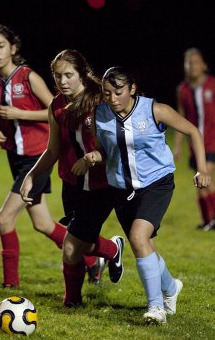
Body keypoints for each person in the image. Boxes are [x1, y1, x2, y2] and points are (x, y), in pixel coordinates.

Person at [84, 66, 211, 324]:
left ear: (132, 89)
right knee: (144, 246)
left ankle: (156, 308)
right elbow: (104, 149)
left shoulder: (155, 110)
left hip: (156, 183)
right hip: (122, 189)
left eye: (118, 92)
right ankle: (171, 289)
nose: (113, 98)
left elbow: (193, 132)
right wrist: (95, 156)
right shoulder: (100, 114)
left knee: (138, 237)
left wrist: (202, 170)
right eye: (107, 93)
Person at [20, 49, 125, 307]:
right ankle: (113, 249)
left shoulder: (100, 102)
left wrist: (91, 158)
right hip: (72, 185)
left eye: (69, 75)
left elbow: (116, 145)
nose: (63, 81)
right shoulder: (56, 105)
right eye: (58, 76)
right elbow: (53, 149)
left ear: (81, 74)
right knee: (83, 245)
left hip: (101, 187)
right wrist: (32, 176)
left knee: (70, 246)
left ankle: (72, 303)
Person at [0, 24, 67, 288]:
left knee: (4, 219)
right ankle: (102, 254)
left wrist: (21, 114)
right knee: (42, 223)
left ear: (13, 48)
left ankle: (11, 284)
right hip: (16, 158)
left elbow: (57, 110)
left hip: (38, 157)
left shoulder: (28, 77)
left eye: (1, 46)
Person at [174, 47, 215, 231]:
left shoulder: (212, 85)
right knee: (200, 183)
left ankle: (213, 220)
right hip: (194, 146)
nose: (192, 66)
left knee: (207, 179)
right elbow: (179, 118)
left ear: (204, 65)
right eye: (189, 62)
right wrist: (177, 146)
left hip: (212, 142)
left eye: (196, 62)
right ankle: (207, 221)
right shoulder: (182, 90)